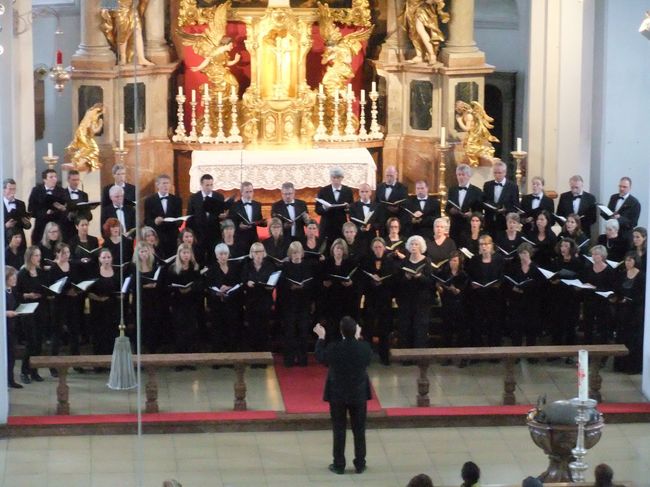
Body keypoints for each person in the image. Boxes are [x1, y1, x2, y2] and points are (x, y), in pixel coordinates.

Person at [313, 316, 372, 475]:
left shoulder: (334, 348)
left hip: (338, 395)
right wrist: (358, 338)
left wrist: (321, 337)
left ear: (341, 331)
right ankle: (360, 463)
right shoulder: (364, 348)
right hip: (358, 394)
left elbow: (320, 356)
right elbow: (367, 360)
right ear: (356, 330)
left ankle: (339, 464)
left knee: (339, 429)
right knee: (359, 429)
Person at [360, 237, 397, 365]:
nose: (378, 249)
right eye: (375, 247)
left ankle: (384, 357)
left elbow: (393, 281)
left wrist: (383, 281)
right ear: (372, 249)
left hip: (385, 299)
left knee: (384, 329)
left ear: (385, 248)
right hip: (371, 299)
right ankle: (367, 357)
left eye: (380, 247)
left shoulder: (390, 262)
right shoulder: (367, 261)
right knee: (368, 329)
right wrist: (372, 281)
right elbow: (363, 280)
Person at [279, 241, 314, 367]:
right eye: (294, 253)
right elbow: (281, 285)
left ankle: (302, 359)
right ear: (290, 254)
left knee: (303, 332)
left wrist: (303, 286)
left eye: (298, 252)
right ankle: (289, 359)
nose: (296, 255)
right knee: (290, 332)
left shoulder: (307, 266)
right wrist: (290, 286)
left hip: (303, 303)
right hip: (289, 304)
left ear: (302, 253)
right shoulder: (285, 267)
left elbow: (311, 283)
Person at [164, 243, 201, 363]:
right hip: (178, 302)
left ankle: (190, 359)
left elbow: (200, 284)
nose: (186, 255)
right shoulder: (173, 268)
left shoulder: (195, 267)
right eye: (183, 253)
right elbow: (167, 286)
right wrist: (178, 289)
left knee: (191, 329)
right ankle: (179, 359)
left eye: (188, 253)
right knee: (179, 329)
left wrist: (191, 288)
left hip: (191, 301)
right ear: (179, 254)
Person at [204, 243, 244, 354]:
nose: (223, 256)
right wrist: (217, 292)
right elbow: (207, 286)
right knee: (217, 329)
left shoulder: (235, 267)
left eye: (225, 254)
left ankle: (231, 354)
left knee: (232, 329)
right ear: (216, 255)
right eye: (220, 254)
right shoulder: (211, 269)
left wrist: (230, 287)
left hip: (232, 303)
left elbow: (239, 283)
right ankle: (217, 355)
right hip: (217, 304)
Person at [16, 246, 47, 383]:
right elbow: (16, 293)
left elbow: (44, 288)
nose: (38, 258)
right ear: (29, 257)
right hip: (27, 310)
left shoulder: (40, 272)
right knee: (31, 342)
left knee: (39, 342)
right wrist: (27, 295)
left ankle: (34, 371)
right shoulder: (22, 273)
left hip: (40, 309)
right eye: (35, 255)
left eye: (39, 255)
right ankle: (24, 371)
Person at [467, 234, 504, 348]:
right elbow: (470, 276)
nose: (484, 247)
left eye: (486, 244)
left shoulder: (498, 259)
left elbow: (502, 276)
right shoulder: (475, 260)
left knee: (493, 323)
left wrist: (497, 284)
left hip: (494, 297)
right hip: (478, 297)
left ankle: (494, 349)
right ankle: (477, 350)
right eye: (481, 244)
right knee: (477, 324)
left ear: (491, 245)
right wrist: (473, 284)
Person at [397, 235, 434, 348]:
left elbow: (431, 282)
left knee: (420, 328)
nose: (414, 246)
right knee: (406, 327)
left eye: (416, 244)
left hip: (421, 301)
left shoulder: (426, 261)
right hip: (406, 300)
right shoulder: (404, 261)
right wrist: (406, 278)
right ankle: (406, 356)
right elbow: (398, 281)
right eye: (412, 244)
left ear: (421, 246)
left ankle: (419, 356)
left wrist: (420, 277)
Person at [241, 242, 276, 358]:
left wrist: (270, 286)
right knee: (253, 329)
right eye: (256, 252)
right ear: (251, 253)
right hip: (251, 301)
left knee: (264, 329)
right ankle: (253, 356)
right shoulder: (247, 266)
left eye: (260, 251)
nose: (258, 254)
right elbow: (243, 280)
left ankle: (264, 356)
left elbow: (273, 281)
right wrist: (247, 283)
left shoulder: (269, 266)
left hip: (265, 300)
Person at [547, 238, 583, 351]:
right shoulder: (556, 261)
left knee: (570, 325)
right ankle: (556, 352)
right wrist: (553, 281)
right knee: (557, 324)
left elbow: (581, 278)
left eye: (566, 246)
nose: (563, 248)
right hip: (558, 296)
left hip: (572, 297)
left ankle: (570, 352)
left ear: (572, 248)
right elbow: (551, 277)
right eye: (562, 246)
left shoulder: (577, 263)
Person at [612, 252, 645, 374]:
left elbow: (643, 295)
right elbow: (617, 289)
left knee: (633, 339)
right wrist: (616, 298)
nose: (627, 263)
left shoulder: (642, 276)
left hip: (635, 312)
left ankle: (632, 366)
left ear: (636, 261)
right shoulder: (621, 274)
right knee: (621, 337)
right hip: (622, 310)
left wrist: (631, 300)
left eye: (630, 260)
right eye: (626, 260)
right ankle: (620, 365)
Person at [435, 250, 470, 364]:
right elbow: (438, 281)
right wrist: (439, 286)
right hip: (447, 305)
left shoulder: (463, 274)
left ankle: (462, 359)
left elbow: (463, 290)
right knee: (446, 332)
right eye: (451, 260)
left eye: (455, 261)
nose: (452, 263)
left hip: (460, 306)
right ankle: (447, 358)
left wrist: (455, 289)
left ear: (460, 262)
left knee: (461, 333)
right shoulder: (445, 272)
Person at [504, 243, 542, 347]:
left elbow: (540, 285)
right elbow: (508, 282)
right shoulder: (514, 267)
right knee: (516, 327)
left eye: (525, 253)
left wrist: (527, 288)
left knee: (531, 328)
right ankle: (516, 352)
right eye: (520, 253)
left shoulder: (536, 268)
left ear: (530, 254)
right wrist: (514, 288)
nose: (523, 256)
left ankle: (531, 354)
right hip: (517, 301)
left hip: (531, 302)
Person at [186, 173, 228, 265]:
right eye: (207, 185)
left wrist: (223, 216)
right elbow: (190, 217)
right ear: (201, 185)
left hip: (214, 234)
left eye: (211, 185)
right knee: (199, 258)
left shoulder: (218, 197)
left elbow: (222, 215)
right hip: (199, 234)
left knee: (213, 259)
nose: (209, 187)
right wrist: (191, 234)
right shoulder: (194, 198)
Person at [320, 238, 359, 334]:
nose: (339, 251)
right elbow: (320, 278)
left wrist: (350, 283)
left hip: (345, 299)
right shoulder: (326, 263)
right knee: (331, 325)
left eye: (341, 249)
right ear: (333, 249)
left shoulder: (350, 263)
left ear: (344, 251)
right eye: (337, 248)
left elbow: (355, 280)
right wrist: (324, 284)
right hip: (330, 298)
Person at [88, 248, 121, 358]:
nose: (106, 259)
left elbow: (120, 289)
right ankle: (99, 362)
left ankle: (112, 360)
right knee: (99, 334)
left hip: (113, 307)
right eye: (104, 257)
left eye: (108, 257)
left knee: (112, 333)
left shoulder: (117, 272)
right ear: (99, 259)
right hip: (98, 307)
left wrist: (121, 295)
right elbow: (88, 291)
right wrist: (98, 298)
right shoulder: (94, 272)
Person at [130, 242, 163, 353]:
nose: (144, 254)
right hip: (140, 300)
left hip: (153, 299)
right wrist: (144, 285)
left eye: (146, 251)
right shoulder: (133, 266)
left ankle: (152, 350)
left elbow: (159, 280)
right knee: (139, 325)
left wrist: (155, 284)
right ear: (137, 253)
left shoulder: (154, 264)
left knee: (152, 325)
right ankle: (138, 351)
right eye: (141, 251)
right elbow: (131, 284)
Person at [580, 245, 615, 344]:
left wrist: (595, 288)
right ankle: (588, 346)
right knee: (588, 325)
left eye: (596, 254)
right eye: (592, 254)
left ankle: (603, 348)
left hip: (602, 302)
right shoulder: (588, 268)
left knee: (603, 325)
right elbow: (584, 281)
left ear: (603, 256)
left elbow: (611, 288)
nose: (594, 256)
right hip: (589, 300)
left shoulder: (609, 270)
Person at [144, 174, 183, 258]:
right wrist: (155, 222)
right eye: (164, 183)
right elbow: (146, 221)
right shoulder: (149, 200)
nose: (166, 185)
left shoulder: (177, 200)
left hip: (173, 237)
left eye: (168, 183)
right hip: (157, 237)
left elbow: (180, 221)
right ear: (157, 185)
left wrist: (173, 221)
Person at [27, 168, 68, 244]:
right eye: (51, 177)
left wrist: (58, 209)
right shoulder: (36, 190)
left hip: (57, 225)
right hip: (41, 225)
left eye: (55, 177)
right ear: (44, 179)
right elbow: (31, 209)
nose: (54, 179)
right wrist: (45, 212)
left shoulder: (61, 191)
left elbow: (65, 208)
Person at [446, 164, 483, 244]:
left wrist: (472, 214)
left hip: (469, 227)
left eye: (463, 175)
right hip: (455, 227)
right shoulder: (452, 190)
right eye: (459, 175)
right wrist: (451, 211)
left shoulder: (477, 191)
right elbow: (447, 208)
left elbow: (480, 211)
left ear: (469, 176)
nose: (461, 177)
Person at [315, 167, 354, 244]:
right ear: (330, 178)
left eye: (338, 178)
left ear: (342, 178)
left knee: (341, 247)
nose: (336, 180)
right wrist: (324, 207)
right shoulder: (323, 191)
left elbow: (352, 208)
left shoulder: (348, 191)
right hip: (326, 225)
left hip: (341, 225)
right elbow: (317, 210)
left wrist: (348, 208)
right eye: (334, 178)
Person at [482, 159, 519, 236]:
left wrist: (505, 210)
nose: (497, 175)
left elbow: (516, 206)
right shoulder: (487, 185)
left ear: (505, 173)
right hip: (489, 221)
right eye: (495, 173)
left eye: (499, 173)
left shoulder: (513, 186)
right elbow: (484, 201)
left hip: (504, 222)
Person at [229, 181, 266, 252]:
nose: (249, 194)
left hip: (253, 239)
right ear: (241, 192)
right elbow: (231, 223)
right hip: (240, 239)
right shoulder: (234, 206)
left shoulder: (257, 205)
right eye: (247, 192)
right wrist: (239, 226)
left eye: (251, 191)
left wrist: (263, 222)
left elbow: (259, 220)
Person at [375, 165, 409, 235]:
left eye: (391, 176)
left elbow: (405, 204)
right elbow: (376, 203)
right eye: (387, 176)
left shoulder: (402, 188)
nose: (389, 178)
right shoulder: (379, 187)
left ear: (396, 175)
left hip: (396, 220)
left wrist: (397, 208)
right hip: (383, 221)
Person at [5, 266, 24, 388]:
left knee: (11, 355)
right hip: (4, 327)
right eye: (12, 277)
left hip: (12, 327)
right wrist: (6, 313)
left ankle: (11, 380)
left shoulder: (12, 291)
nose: (15, 279)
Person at [61, 170, 92, 241]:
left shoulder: (84, 195)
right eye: (73, 180)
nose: (76, 182)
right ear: (68, 180)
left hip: (80, 230)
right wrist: (68, 214)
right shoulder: (61, 194)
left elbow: (88, 215)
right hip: (66, 230)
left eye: (77, 180)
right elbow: (60, 213)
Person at [348, 183, 379, 250]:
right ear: (359, 193)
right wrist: (359, 228)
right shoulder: (353, 206)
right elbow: (351, 222)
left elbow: (379, 222)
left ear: (370, 193)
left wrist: (371, 226)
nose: (364, 194)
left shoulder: (377, 206)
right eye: (362, 191)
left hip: (371, 237)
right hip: (358, 238)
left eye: (366, 191)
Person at [69, 216, 100, 281]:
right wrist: (81, 261)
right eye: (82, 225)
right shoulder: (72, 241)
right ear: (77, 227)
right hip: (78, 272)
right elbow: (71, 259)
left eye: (86, 225)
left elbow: (96, 257)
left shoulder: (94, 240)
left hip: (91, 271)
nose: (85, 227)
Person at [3, 178, 31, 250]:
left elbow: (26, 226)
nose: (12, 191)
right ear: (4, 189)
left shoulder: (21, 204)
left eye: (14, 189)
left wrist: (26, 222)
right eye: (10, 189)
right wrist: (5, 226)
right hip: (4, 240)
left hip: (20, 240)